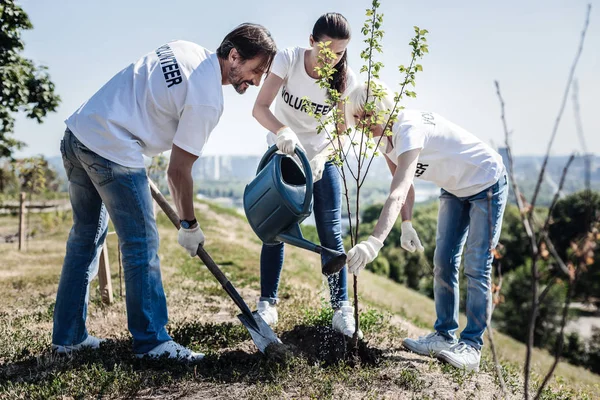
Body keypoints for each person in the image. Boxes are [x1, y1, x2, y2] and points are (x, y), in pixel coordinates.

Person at [52, 24, 277, 361]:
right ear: (233, 55)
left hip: (80, 132)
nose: (256, 80)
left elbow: (145, 94)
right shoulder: (208, 100)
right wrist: (189, 224)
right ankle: (153, 343)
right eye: (255, 69)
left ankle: (68, 338)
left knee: (85, 238)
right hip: (112, 147)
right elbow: (178, 171)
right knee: (141, 242)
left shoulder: (183, 47)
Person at [345, 80, 508, 371]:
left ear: (380, 108)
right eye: (356, 117)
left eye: (365, 115)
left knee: (476, 263)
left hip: (486, 182)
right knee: (443, 260)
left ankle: (472, 346)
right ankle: (444, 335)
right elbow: (403, 186)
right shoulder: (384, 137)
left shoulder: (409, 129)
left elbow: (396, 192)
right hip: (455, 189)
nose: (360, 124)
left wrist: (374, 242)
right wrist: (407, 224)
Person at [252, 12, 361, 338]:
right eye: (328, 50)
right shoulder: (288, 59)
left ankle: (342, 309)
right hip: (284, 154)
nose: (334, 58)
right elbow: (260, 108)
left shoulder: (346, 80)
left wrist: (324, 155)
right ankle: (267, 303)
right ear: (312, 41)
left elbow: (342, 132)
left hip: (321, 161)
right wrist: (283, 132)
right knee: (275, 229)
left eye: (341, 52)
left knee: (331, 234)